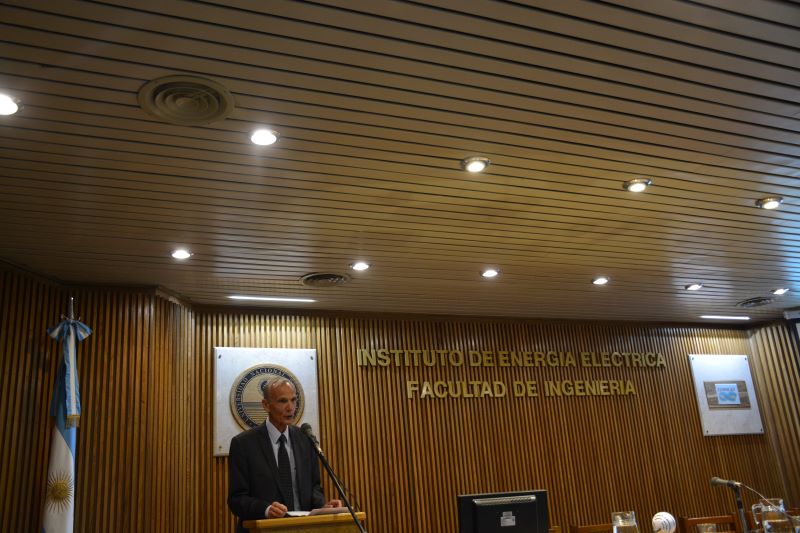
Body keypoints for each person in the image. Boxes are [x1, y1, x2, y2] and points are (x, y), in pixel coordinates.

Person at [228, 375, 342, 532]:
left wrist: (322, 507)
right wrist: (266, 509)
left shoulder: (305, 439)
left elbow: (314, 488)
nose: (290, 407)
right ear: (266, 405)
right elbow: (236, 499)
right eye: (283, 401)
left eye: (293, 400)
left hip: (303, 529)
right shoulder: (244, 444)